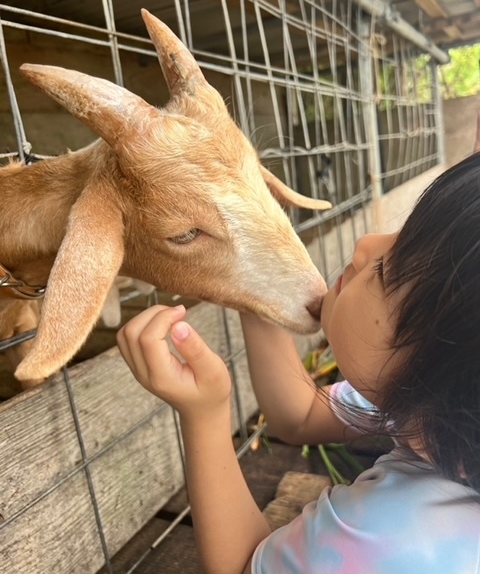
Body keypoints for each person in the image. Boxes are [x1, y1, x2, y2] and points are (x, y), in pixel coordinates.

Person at [117, 153, 480, 574]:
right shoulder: (442, 416)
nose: (365, 245)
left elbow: (240, 567)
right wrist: (255, 288)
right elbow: (301, 415)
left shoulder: (392, 535)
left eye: (385, 270)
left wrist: (205, 413)